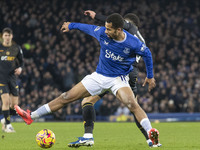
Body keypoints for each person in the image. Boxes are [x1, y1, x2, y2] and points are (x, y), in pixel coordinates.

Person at [15, 13, 159, 147]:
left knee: (132, 104)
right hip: (98, 77)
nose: (106, 31)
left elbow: (147, 53)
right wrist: (71, 25)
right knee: (66, 97)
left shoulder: (133, 42)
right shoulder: (102, 33)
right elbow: (87, 27)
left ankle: (151, 133)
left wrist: (150, 76)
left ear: (119, 29)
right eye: (106, 28)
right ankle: (31, 116)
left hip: (118, 79)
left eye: (109, 29)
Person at [68, 10, 161, 148]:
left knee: (87, 101)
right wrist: (150, 75)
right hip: (132, 72)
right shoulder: (140, 39)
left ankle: (88, 136)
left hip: (118, 71)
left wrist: (96, 16)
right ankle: (150, 138)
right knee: (134, 107)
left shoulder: (128, 28)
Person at [0, 27, 24, 133]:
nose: (7, 37)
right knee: (5, 101)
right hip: (1, 78)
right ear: (2, 37)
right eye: (5, 35)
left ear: (11, 36)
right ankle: (8, 125)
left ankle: (4, 119)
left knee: (14, 105)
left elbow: (21, 61)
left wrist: (20, 68)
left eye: (9, 35)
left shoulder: (16, 48)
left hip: (12, 77)